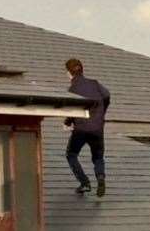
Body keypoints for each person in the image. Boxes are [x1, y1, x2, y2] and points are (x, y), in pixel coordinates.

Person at [64, 58, 110, 197]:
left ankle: (84, 183)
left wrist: (67, 123)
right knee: (98, 157)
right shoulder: (94, 83)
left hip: (81, 128)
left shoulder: (73, 89)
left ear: (69, 73)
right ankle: (100, 177)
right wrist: (101, 113)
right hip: (97, 128)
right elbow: (107, 95)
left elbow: (72, 108)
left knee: (71, 154)